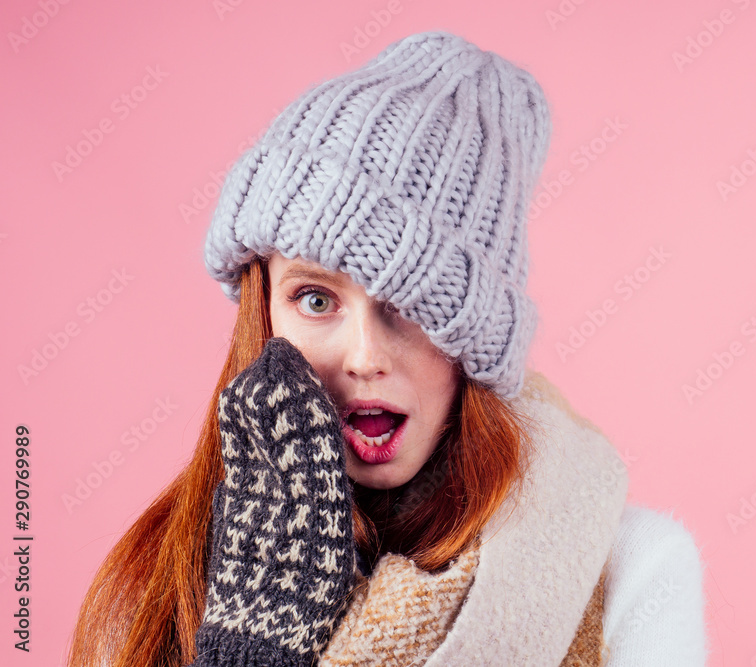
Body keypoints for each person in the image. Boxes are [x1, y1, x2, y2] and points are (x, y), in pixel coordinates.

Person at [68, 30, 707, 666]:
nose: (365, 356)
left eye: (409, 309)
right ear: (263, 315)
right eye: (316, 300)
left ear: (473, 346)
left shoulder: (635, 573)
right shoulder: (159, 582)